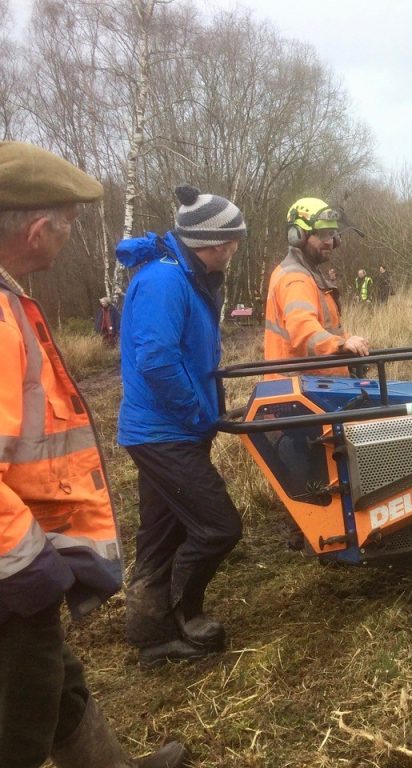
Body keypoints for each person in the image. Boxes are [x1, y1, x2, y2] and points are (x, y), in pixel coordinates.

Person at [0, 142, 186, 767]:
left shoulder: (9, 298)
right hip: (7, 569)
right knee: (16, 725)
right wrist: (25, 562)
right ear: (37, 228)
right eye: (71, 220)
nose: (73, 232)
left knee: (57, 686)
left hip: (17, 562)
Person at [117, 185, 246, 669]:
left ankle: (150, 636)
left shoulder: (187, 277)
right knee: (218, 527)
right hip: (164, 432)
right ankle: (184, 615)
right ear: (211, 244)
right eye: (233, 241)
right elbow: (156, 361)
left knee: (162, 533)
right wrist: (198, 413)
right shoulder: (165, 282)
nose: (235, 250)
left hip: (169, 429)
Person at [264, 198, 369, 374]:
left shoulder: (310, 274)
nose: (330, 241)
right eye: (322, 234)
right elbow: (302, 330)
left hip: (316, 387)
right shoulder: (295, 279)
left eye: (332, 233)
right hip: (299, 390)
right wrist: (341, 345)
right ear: (297, 235)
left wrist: (348, 339)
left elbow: (324, 328)